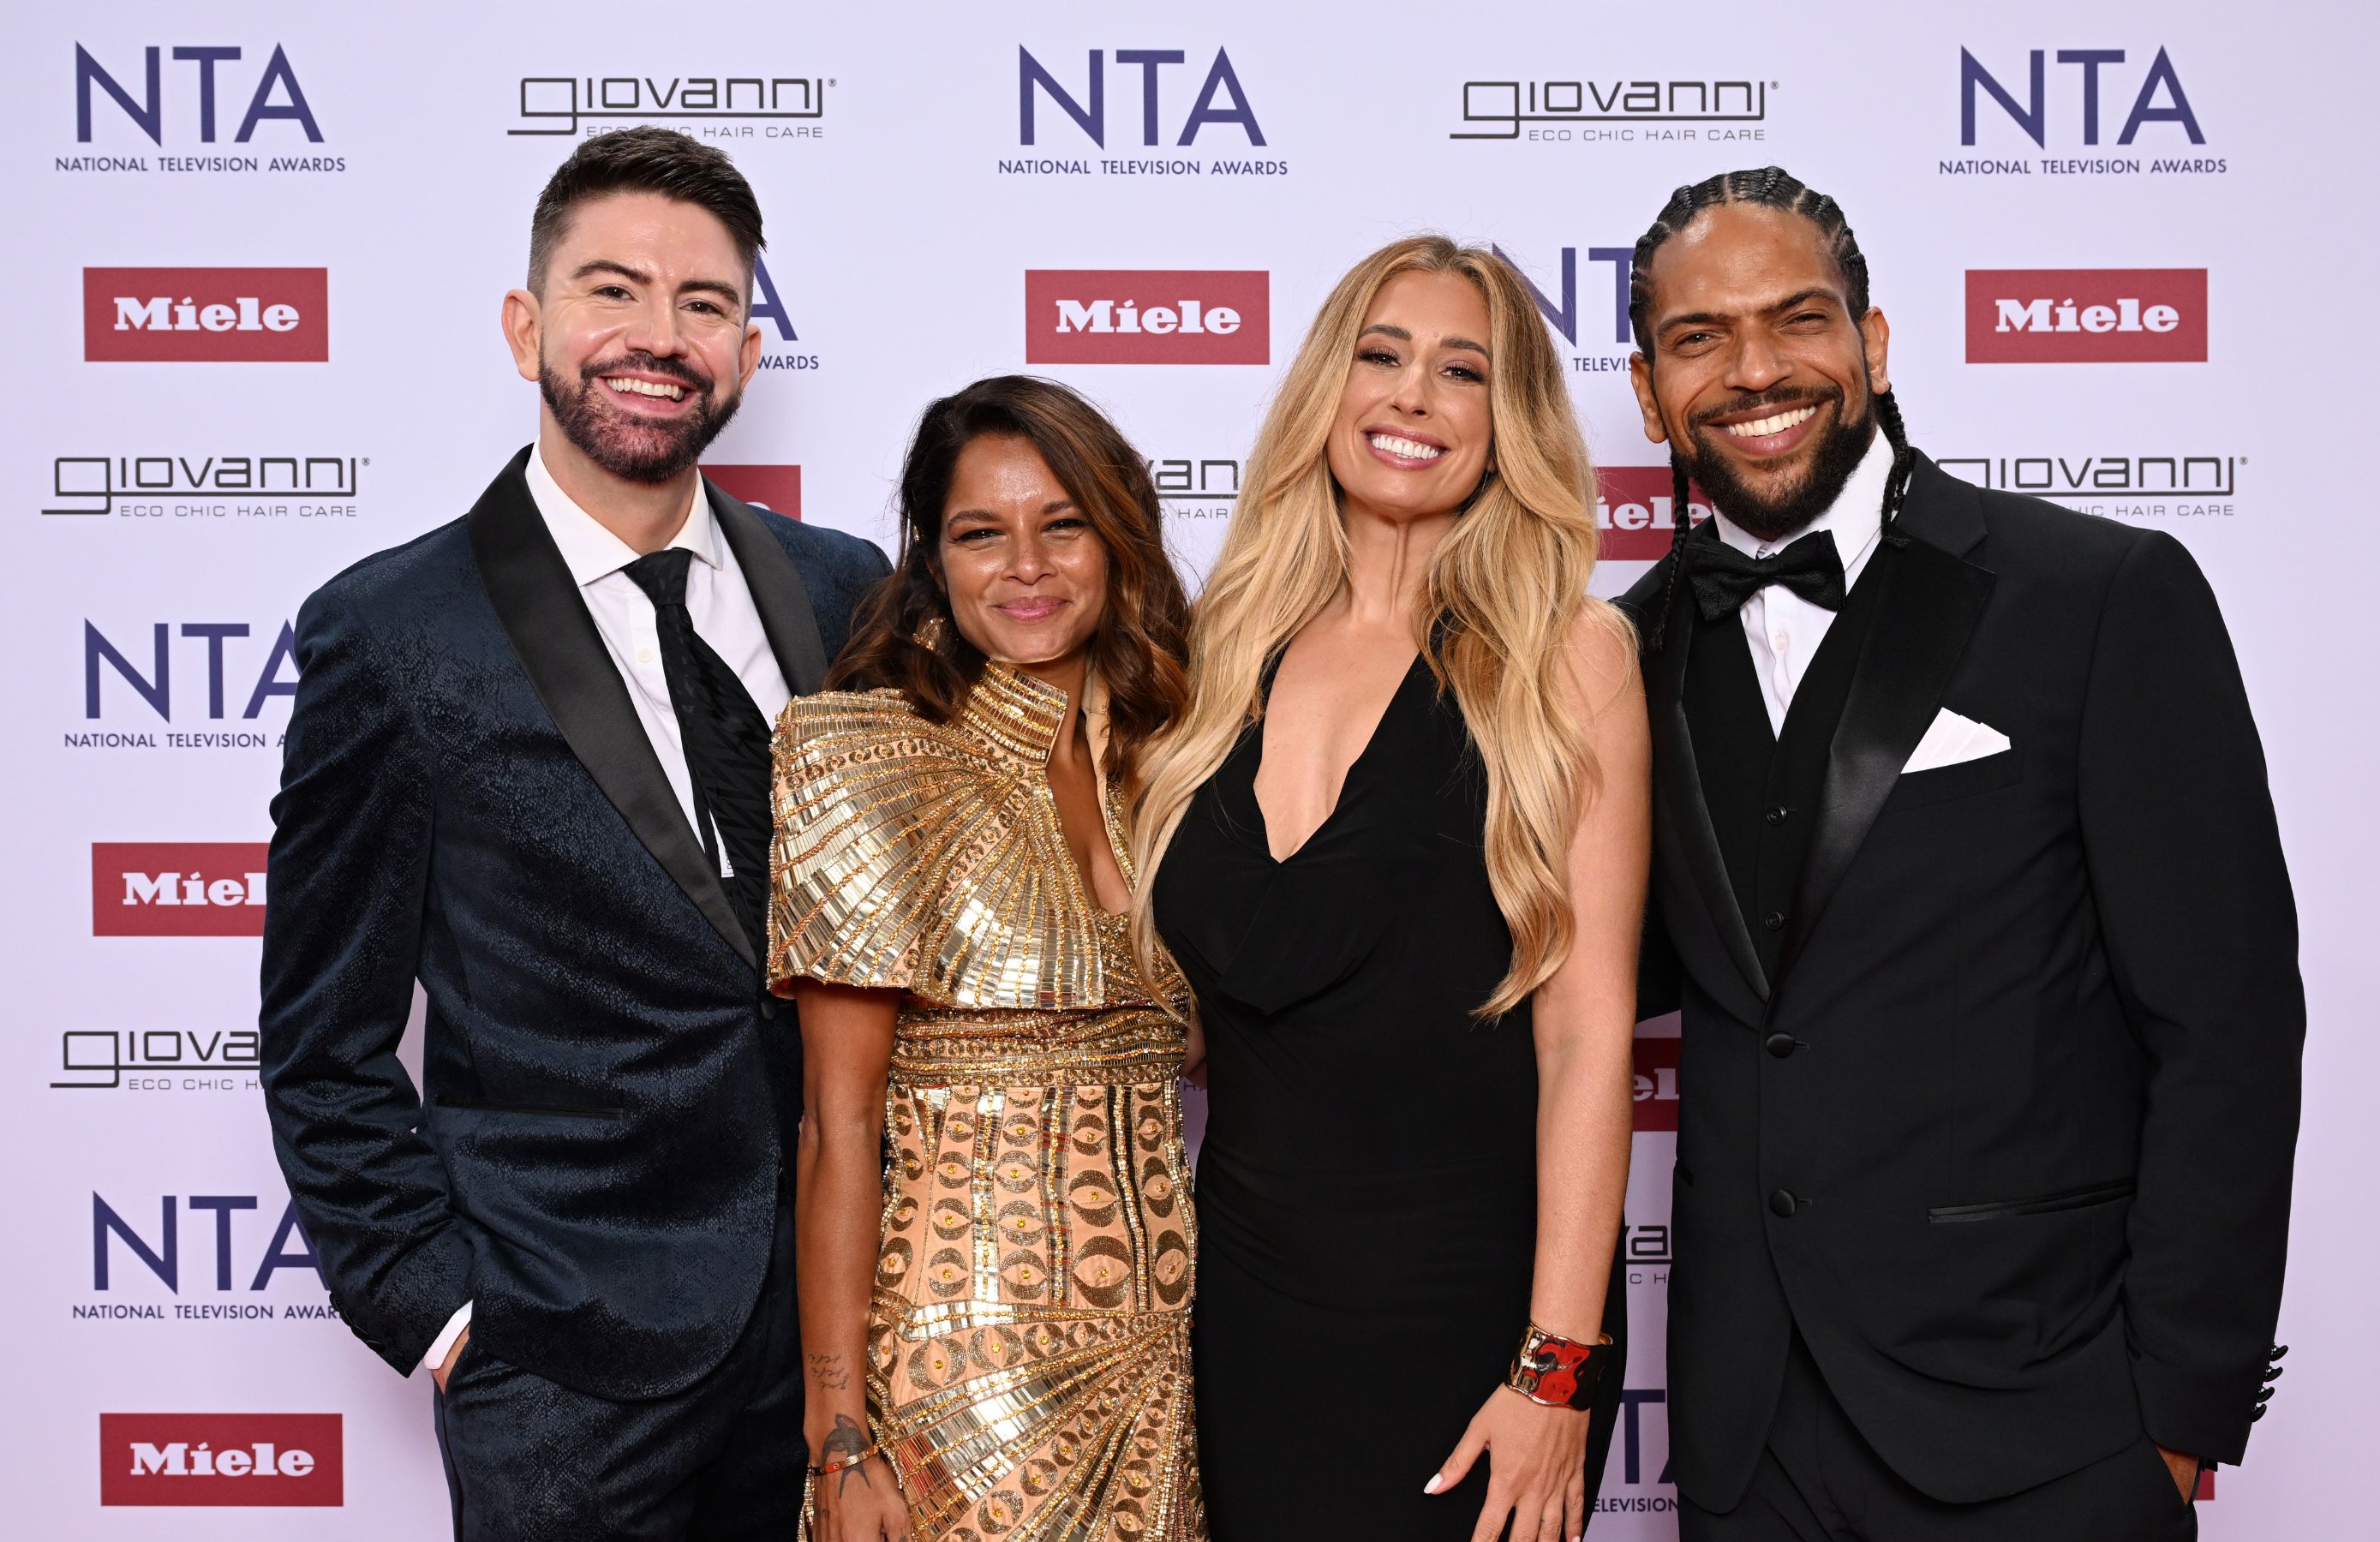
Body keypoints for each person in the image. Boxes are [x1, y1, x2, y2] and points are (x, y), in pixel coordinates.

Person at [1617, 167, 2303, 1541]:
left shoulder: (2099, 597)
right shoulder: (1617, 653)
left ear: (1871, 345)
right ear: (1648, 394)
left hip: (2041, 1419)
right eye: (1700, 338)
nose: (1755, 370)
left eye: (1796, 320)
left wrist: (2176, 1412)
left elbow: (2225, 1023)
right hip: (1750, 1445)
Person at [259, 128, 889, 1540]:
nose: (659, 337)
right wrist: (440, 1309)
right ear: (526, 323)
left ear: (746, 345)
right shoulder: (394, 632)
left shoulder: (848, 592)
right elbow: (321, 1032)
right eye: (614, 292)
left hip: (846, 1346)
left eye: (707, 304)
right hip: (563, 1364)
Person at [1133, 236, 1647, 1542]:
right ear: (1328, 389)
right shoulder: (1214, 659)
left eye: (1462, 371)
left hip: (1471, 1327)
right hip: (1242, 1318)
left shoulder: (1565, 657)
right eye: (1383, 355)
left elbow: (1588, 1038)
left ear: (1508, 422)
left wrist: (1558, 1368)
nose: (1414, 396)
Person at [774, 376, 1203, 1542]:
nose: (1026, 564)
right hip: (955, 1374)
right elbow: (836, 1124)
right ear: (933, 558)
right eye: (980, 533)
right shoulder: (866, 756)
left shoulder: (1172, 764)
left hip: (1166, 1357)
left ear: (1117, 538)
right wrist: (839, 1432)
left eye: (1062, 523)